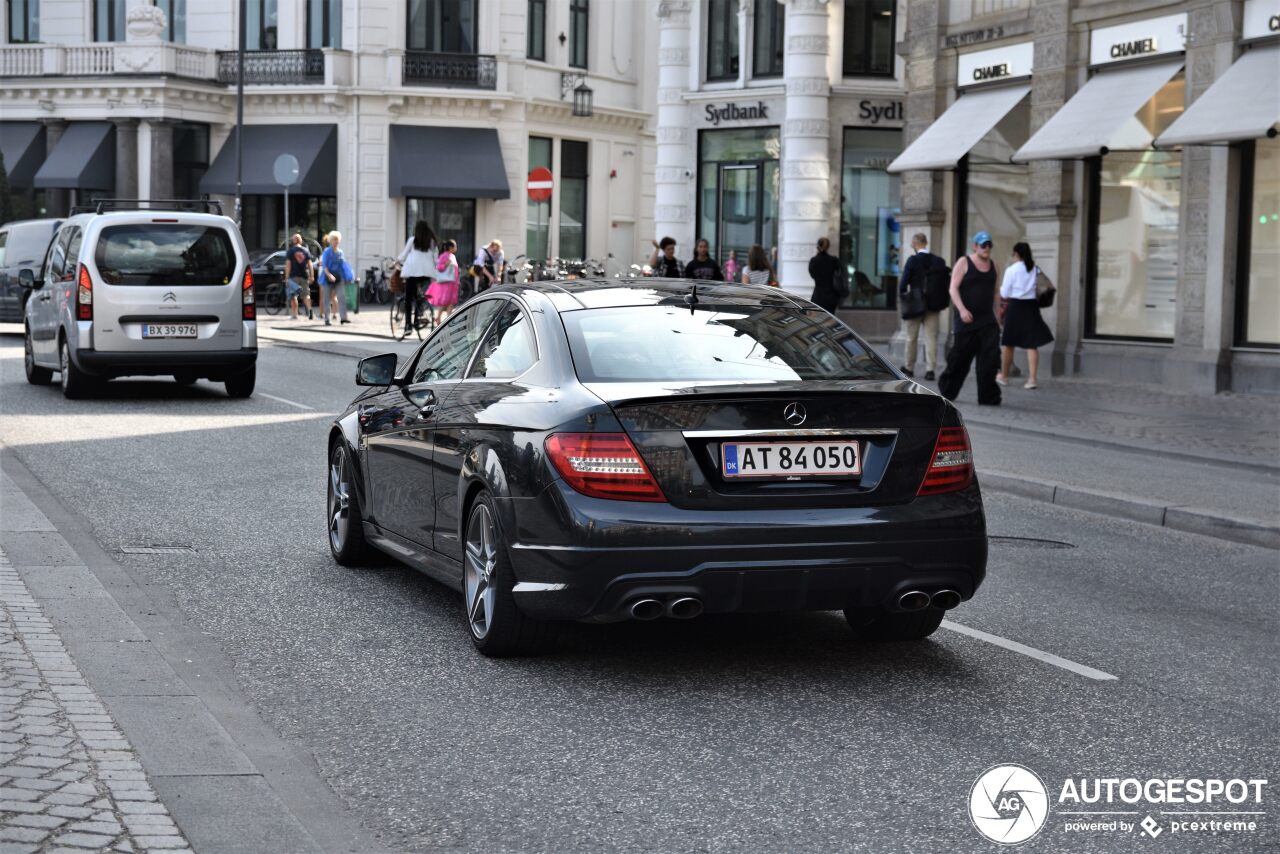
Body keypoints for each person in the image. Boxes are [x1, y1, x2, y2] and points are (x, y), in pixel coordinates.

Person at [937, 232, 1002, 406]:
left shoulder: (995, 265)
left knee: (990, 361)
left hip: (988, 321)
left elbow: (996, 293)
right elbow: (953, 289)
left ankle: (988, 397)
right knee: (959, 360)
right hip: (966, 322)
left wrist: (998, 317)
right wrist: (962, 310)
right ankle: (947, 391)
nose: (987, 248)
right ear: (975, 246)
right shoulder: (964, 262)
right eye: (983, 245)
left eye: (989, 245)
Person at [998, 241, 1054, 390]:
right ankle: (1032, 379)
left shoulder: (1011, 270)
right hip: (1031, 307)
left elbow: (1004, 293)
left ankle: (1004, 376)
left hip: (1015, 307)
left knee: (1008, 343)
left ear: (1016, 254)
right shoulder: (1035, 269)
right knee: (1032, 345)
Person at [898, 233, 947, 380]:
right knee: (931, 338)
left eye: (912, 244)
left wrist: (904, 297)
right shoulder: (938, 261)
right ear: (926, 242)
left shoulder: (912, 260)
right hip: (934, 305)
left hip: (915, 304)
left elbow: (903, 283)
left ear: (914, 243)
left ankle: (909, 367)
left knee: (911, 337)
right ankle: (930, 370)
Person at [398, 221, 438, 332]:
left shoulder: (412, 240)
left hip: (412, 273)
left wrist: (396, 261)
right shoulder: (432, 242)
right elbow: (436, 260)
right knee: (420, 297)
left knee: (408, 299)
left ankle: (408, 326)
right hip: (426, 274)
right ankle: (417, 320)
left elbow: (403, 255)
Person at [317, 231, 351, 326]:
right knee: (327, 298)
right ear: (330, 241)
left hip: (339, 278)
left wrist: (347, 277)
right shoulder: (327, 252)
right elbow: (324, 266)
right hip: (328, 278)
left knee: (341, 296)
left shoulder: (340, 252)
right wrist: (329, 275)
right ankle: (327, 319)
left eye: (337, 240)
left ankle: (343, 318)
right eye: (334, 240)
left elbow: (343, 266)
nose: (336, 242)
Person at [428, 239, 461, 326]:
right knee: (445, 301)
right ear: (450, 247)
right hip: (446, 283)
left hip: (452, 283)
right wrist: (446, 264)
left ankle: (448, 319)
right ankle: (439, 318)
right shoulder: (444, 256)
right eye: (455, 246)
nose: (456, 248)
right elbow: (439, 267)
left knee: (451, 301)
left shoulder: (452, 256)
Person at [282, 233, 313, 321]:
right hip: (304, 275)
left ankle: (294, 315)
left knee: (293, 295)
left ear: (293, 241)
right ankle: (310, 309)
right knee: (306, 295)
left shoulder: (291, 251)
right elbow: (310, 264)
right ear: (301, 241)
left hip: (293, 276)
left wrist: (287, 277)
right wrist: (311, 276)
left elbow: (288, 264)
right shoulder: (306, 251)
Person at [808, 237, 841, 312]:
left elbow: (812, 275)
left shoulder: (814, 261)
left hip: (818, 296)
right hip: (831, 296)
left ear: (818, 246)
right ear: (828, 247)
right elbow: (839, 274)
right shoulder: (834, 260)